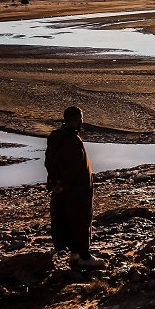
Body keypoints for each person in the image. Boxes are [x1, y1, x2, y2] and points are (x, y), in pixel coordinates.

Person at [45, 106, 103, 267]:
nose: (82, 121)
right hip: (76, 191)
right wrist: (62, 184)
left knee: (66, 219)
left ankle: (74, 254)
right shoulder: (72, 141)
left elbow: (49, 161)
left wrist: (54, 182)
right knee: (80, 220)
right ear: (77, 120)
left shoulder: (56, 136)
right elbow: (72, 168)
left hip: (61, 189)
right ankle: (84, 256)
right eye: (80, 118)